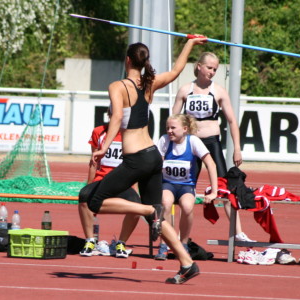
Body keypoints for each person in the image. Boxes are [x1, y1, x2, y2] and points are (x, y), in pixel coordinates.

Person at [87, 36, 208, 284]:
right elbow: (176, 71)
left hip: (137, 160)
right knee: (159, 220)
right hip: (153, 156)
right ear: (143, 63)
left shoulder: (118, 86)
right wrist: (190, 44)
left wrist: (103, 148)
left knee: (93, 200)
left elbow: (117, 118)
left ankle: (147, 210)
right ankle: (187, 264)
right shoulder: (148, 84)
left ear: (128, 60)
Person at [173, 52, 254, 242]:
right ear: (199, 66)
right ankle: (178, 236)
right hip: (190, 143)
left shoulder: (218, 91)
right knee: (185, 188)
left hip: (211, 142)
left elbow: (232, 121)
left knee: (225, 187)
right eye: (209, 68)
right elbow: (173, 120)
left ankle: (238, 232)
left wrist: (237, 148)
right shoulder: (185, 90)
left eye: (215, 69)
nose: (212, 72)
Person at [154, 114, 218, 260]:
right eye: (167, 128)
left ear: (184, 129)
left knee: (188, 206)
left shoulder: (193, 141)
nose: (169, 131)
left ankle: (183, 244)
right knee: (165, 203)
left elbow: (211, 164)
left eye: (173, 128)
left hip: (186, 185)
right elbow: (155, 165)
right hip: (168, 184)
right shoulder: (164, 140)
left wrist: (214, 192)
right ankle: (165, 244)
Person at [78, 123, 141, 258]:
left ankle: (121, 243)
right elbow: (93, 162)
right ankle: (90, 242)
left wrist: (135, 189)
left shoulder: (132, 135)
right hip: (101, 181)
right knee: (84, 197)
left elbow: (136, 166)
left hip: (123, 183)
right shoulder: (99, 132)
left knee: (137, 207)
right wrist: (88, 186)